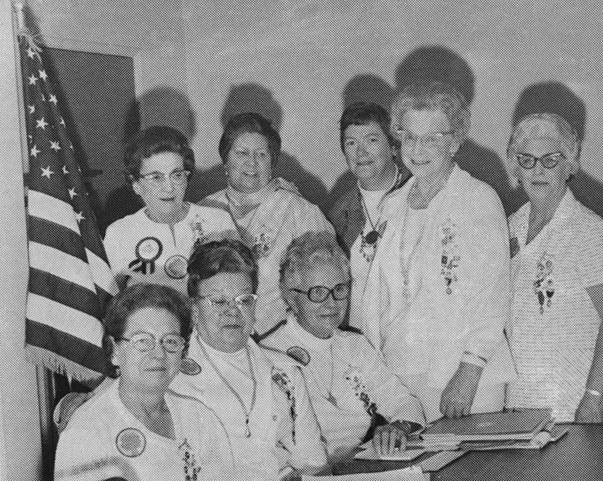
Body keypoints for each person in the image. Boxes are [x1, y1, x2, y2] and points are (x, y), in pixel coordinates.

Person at [361, 81, 514, 423]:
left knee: (465, 473)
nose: (418, 148)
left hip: (461, 374)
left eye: (432, 138)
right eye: (410, 136)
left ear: (456, 140)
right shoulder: (394, 204)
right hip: (401, 370)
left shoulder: (477, 199)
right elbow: (382, 294)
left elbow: (493, 293)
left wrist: (470, 370)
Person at [54, 284, 232, 481]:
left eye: (170, 341)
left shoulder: (197, 417)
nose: (158, 353)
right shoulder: (89, 428)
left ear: (183, 352)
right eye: (142, 341)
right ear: (115, 351)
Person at [170, 238, 327, 481]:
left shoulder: (285, 373)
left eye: (244, 300)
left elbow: (313, 461)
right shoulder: (171, 376)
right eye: (218, 301)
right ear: (194, 310)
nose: (233, 311)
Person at [505, 113, 603, 423]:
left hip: (577, 409)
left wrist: (593, 400)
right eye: (527, 159)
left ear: (570, 165)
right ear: (515, 167)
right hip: (519, 407)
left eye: (550, 160)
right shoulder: (509, 227)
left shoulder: (592, 232)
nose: (537, 170)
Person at [260, 231, 425, 462]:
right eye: (317, 292)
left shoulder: (354, 346)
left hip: (360, 465)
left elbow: (404, 402)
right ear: (290, 297)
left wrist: (399, 426)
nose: (331, 303)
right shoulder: (269, 354)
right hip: (304, 474)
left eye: (339, 289)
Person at [200, 113, 333, 336]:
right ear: (226, 160)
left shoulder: (299, 211)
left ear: (272, 162)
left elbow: (324, 286)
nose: (251, 162)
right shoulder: (203, 211)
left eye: (261, 154)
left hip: (279, 342)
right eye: (241, 153)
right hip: (215, 344)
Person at [104, 126, 237, 292]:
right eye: (156, 177)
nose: (169, 187)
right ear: (136, 184)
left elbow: (238, 285)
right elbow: (110, 300)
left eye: (177, 175)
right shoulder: (119, 233)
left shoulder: (218, 222)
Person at [328, 103, 411, 329]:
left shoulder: (420, 198)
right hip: (358, 342)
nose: (361, 152)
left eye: (371, 140)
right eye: (351, 143)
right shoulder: (339, 213)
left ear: (393, 147)